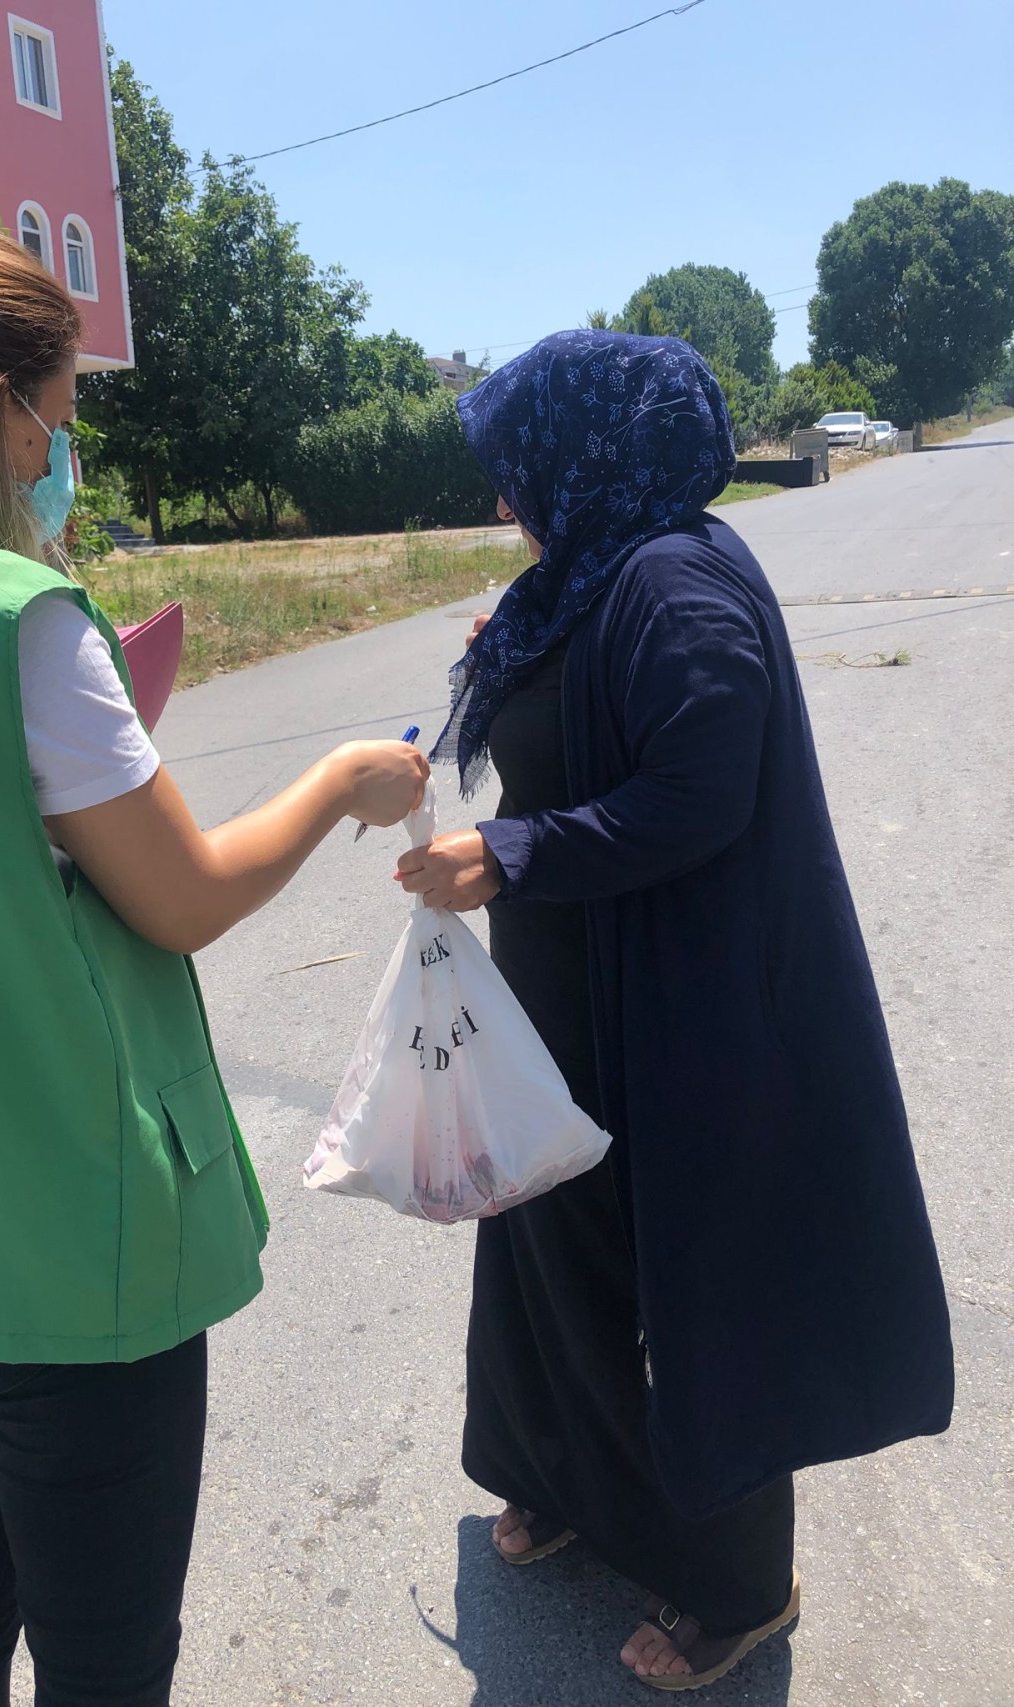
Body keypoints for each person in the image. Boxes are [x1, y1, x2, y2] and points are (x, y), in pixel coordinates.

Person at [0, 221, 427, 1707]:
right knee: (107, 1644)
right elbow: (182, 896)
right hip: (54, 1214)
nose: (62, 453)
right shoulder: (14, 617)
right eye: (57, 416)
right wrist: (338, 781)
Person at [395, 330, 953, 1691]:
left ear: (596, 452)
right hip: (575, 994)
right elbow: (572, 705)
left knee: (689, 1285)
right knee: (559, 1248)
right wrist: (514, 660)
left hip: (683, 1006)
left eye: (522, 464)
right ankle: (576, 1484)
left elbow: (700, 795)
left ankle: (739, 1585)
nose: (509, 494)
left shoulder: (675, 575)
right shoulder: (590, 574)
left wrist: (509, 853)